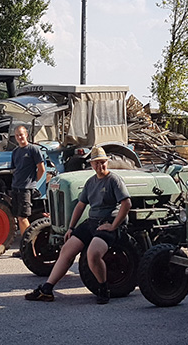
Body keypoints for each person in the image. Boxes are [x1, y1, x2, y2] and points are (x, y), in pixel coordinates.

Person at [25, 146, 131, 304]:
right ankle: (47, 289)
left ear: (107, 163)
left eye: (102, 162)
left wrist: (114, 225)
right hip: (92, 222)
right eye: (96, 163)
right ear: (92, 165)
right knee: (66, 250)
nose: (99, 166)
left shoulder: (114, 180)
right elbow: (80, 205)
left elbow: (126, 203)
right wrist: (71, 228)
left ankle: (103, 288)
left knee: (93, 254)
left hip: (107, 223)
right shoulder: (91, 182)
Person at [10, 125, 46, 237]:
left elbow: (41, 169)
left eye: (21, 134)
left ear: (26, 135)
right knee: (19, 218)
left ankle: (28, 245)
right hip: (16, 187)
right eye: (17, 135)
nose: (19, 137)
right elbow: (15, 169)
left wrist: (33, 181)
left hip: (26, 188)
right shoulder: (15, 152)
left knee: (23, 218)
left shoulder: (33, 149)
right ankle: (23, 245)